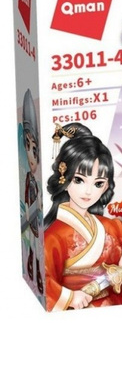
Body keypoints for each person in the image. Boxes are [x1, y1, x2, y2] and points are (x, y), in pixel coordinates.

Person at [44, 123, 122, 311]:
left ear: (106, 186)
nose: (88, 191)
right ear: (64, 178)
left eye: (98, 183)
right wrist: (69, 297)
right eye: (79, 180)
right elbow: (43, 278)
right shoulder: (54, 235)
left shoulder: (109, 226)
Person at [22, 89, 43, 294]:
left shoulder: (36, 180)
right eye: (27, 147)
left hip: (37, 221)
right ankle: (33, 276)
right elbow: (27, 197)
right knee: (33, 248)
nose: (31, 156)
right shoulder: (30, 178)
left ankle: (38, 279)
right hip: (32, 221)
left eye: (34, 149)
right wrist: (28, 215)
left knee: (38, 249)